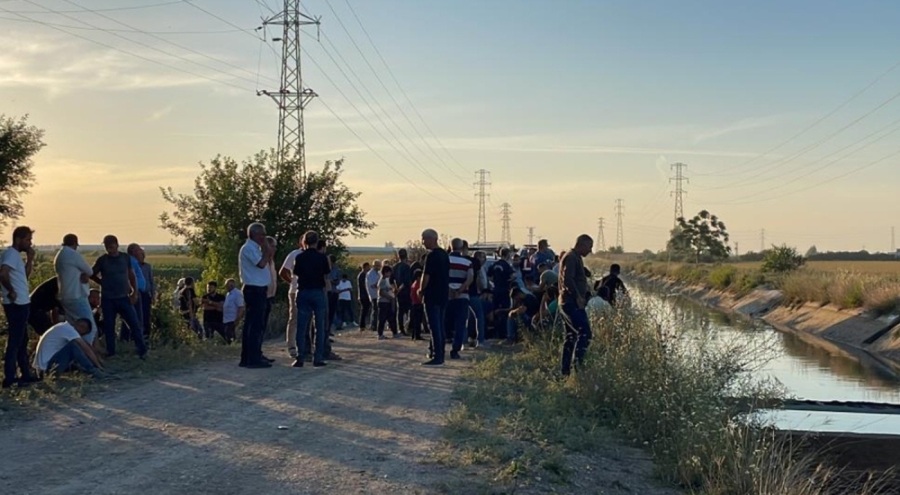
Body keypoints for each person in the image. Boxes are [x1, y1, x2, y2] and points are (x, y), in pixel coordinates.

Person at [91, 234, 147, 359]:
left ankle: (142, 351)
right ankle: (111, 353)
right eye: (107, 246)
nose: (109, 248)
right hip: (108, 299)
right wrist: (101, 282)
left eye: (111, 246)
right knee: (109, 327)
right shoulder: (102, 260)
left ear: (117, 245)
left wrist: (134, 292)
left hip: (124, 297)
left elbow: (131, 275)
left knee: (134, 324)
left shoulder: (125, 258)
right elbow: (91, 273)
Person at [1, 226, 38, 388]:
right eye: (28, 239)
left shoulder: (16, 256)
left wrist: (30, 260)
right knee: (16, 340)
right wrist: (10, 291)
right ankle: (9, 377)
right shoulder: (10, 254)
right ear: (18, 239)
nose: (30, 243)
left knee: (22, 339)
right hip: (16, 304)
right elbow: (3, 273)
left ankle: (25, 374)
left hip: (22, 302)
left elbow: (25, 276)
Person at [238, 222, 275, 368]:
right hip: (254, 289)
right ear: (254, 234)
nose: (264, 237)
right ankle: (251, 358)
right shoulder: (248, 249)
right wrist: (266, 249)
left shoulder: (254, 248)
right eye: (262, 234)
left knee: (255, 324)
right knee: (254, 325)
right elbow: (261, 263)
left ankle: (253, 354)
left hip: (258, 289)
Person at [292, 230, 331, 368]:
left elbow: (296, 274)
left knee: (302, 327)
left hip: (303, 291)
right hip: (317, 292)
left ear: (304, 242)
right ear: (316, 241)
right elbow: (326, 276)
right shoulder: (322, 258)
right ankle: (318, 357)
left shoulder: (300, 257)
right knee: (319, 326)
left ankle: (300, 357)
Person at [559, 234, 594, 376]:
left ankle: (566, 372)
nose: (590, 251)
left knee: (571, 336)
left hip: (567, 301)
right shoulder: (572, 257)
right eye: (589, 247)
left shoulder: (574, 257)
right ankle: (577, 369)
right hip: (571, 302)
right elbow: (568, 279)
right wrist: (578, 296)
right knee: (585, 333)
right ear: (581, 244)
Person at [54, 234, 97, 344]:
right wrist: (84, 274)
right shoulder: (72, 255)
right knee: (89, 327)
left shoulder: (59, 256)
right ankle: (87, 352)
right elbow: (89, 271)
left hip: (65, 295)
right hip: (76, 295)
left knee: (73, 328)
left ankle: (73, 353)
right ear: (74, 243)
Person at [33, 319, 106, 379]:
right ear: (82, 327)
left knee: (74, 357)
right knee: (72, 347)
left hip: (42, 369)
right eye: (83, 334)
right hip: (47, 370)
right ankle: (93, 371)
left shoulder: (62, 327)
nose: (81, 336)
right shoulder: (69, 330)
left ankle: (84, 370)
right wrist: (97, 365)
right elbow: (86, 349)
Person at [419, 228, 449, 366]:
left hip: (432, 295)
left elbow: (426, 276)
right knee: (440, 326)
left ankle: (437, 355)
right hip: (443, 294)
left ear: (432, 239)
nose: (423, 242)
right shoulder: (444, 255)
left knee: (434, 326)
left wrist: (421, 289)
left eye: (424, 239)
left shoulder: (431, 256)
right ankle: (440, 353)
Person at [447, 239, 474, 359]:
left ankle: (438, 347)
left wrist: (450, 290)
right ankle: (455, 350)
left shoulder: (445, 260)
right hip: (462, 296)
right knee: (460, 324)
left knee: (443, 322)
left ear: (450, 246)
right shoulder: (467, 262)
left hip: (447, 296)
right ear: (462, 247)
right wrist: (460, 290)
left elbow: (441, 277)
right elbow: (470, 278)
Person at [279, 236, 303, 358]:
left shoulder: (313, 254)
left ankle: (305, 345)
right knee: (294, 318)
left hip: (308, 290)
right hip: (295, 290)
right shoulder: (294, 254)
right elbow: (283, 271)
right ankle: (291, 345)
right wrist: (292, 282)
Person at [119, 243, 147, 342]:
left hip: (137, 291)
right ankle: (135, 341)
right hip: (134, 292)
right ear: (134, 251)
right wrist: (133, 291)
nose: (142, 252)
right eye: (139, 250)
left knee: (131, 317)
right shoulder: (131, 261)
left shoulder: (134, 262)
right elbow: (130, 277)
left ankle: (127, 339)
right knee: (135, 318)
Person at [490, 248, 515, 340]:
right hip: (504, 290)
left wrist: (496, 281)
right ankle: (503, 333)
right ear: (507, 255)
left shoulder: (495, 264)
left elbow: (490, 276)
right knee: (504, 311)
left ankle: (496, 332)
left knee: (495, 311)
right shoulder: (507, 265)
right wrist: (507, 281)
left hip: (496, 290)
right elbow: (512, 276)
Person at [376, 264, 399, 340]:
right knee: (382, 318)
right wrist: (390, 298)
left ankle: (394, 332)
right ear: (385, 272)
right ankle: (380, 334)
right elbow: (381, 292)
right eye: (389, 272)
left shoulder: (387, 280)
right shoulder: (382, 281)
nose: (390, 274)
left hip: (388, 302)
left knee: (391, 317)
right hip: (383, 302)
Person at [136, 246, 155, 340]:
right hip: (136, 293)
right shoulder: (133, 267)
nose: (141, 257)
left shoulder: (147, 267)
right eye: (139, 255)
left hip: (145, 294)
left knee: (146, 315)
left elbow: (151, 281)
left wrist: (153, 295)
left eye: (142, 255)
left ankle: (146, 335)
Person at [393, 248, 413, 335]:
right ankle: (409, 327)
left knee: (400, 311)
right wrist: (400, 288)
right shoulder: (407, 267)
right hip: (406, 292)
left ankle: (401, 328)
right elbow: (406, 281)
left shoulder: (395, 267)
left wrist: (395, 289)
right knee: (410, 310)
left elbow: (391, 280)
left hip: (398, 292)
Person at [222, 278, 244, 344]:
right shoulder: (228, 294)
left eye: (228, 285)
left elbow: (241, 307)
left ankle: (233, 346)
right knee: (227, 336)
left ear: (232, 285)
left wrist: (237, 319)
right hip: (226, 319)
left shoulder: (237, 294)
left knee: (231, 337)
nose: (226, 287)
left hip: (233, 319)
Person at [409, 269, 425, 341]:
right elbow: (419, 294)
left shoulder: (413, 284)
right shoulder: (418, 285)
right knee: (417, 321)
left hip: (414, 304)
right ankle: (417, 335)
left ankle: (414, 334)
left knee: (415, 320)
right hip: (417, 304)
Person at [366, 260, 382, 332]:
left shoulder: (377, 273)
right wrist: (380, 285)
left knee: (376, 310)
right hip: (374, 294)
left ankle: (375, 325)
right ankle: (374, 325)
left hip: (377, 294)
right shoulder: (371, 274)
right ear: (374, 265)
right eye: (378, 265)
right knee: (375, 310)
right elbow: (372, 285)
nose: (379, 267)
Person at [356, 262, 371, 331]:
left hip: (364, 295)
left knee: (365, 310)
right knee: (364, 310)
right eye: (368, 267)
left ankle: (363, 325)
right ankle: (362, 325)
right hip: (363, 295)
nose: (369, 268)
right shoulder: (362, 275)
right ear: (365, 267)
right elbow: (364, 285)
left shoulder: (364, 274)